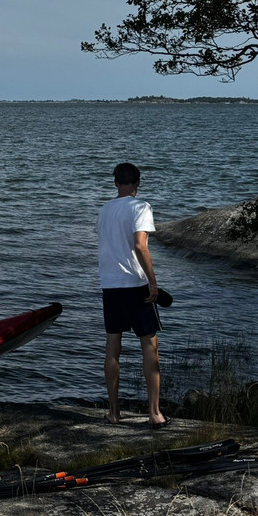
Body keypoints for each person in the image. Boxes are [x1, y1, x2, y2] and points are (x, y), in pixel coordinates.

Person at [97, 162, 167, 428]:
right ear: (138, 183)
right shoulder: (141, 207)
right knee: (149, 346)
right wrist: (152, 281)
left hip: (110, 285)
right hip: (135, 285)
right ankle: (154, 413)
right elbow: (140, 246)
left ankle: (114, 413)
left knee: (113, 346)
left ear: (116, 183)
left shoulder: (104, 211)